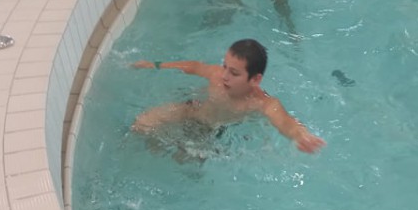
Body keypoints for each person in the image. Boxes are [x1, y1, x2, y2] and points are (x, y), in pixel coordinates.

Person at [132, 38, 325, 153]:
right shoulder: (217, 75)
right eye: (225, 66)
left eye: (234, 73)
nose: (224, 76)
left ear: (255, 79)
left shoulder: (261, 103)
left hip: (212, 131)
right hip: (191, 110)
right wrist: (153, 65)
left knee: (180, 160)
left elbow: (284, 121)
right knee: (141, 123)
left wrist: (301, 135)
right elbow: (192, 66)